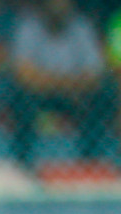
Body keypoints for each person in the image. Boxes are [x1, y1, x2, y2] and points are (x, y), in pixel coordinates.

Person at [9, 0, 113, 168]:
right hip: (39, 96)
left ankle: (91, 161)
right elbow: (24, 74)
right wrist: (69, 82)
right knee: (20, 98)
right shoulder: (29, 26)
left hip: (75, 97)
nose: (58, 5)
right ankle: (23, 161)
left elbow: (95, 75)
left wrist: (47, 80)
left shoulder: (81, 27)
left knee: (103, 96)